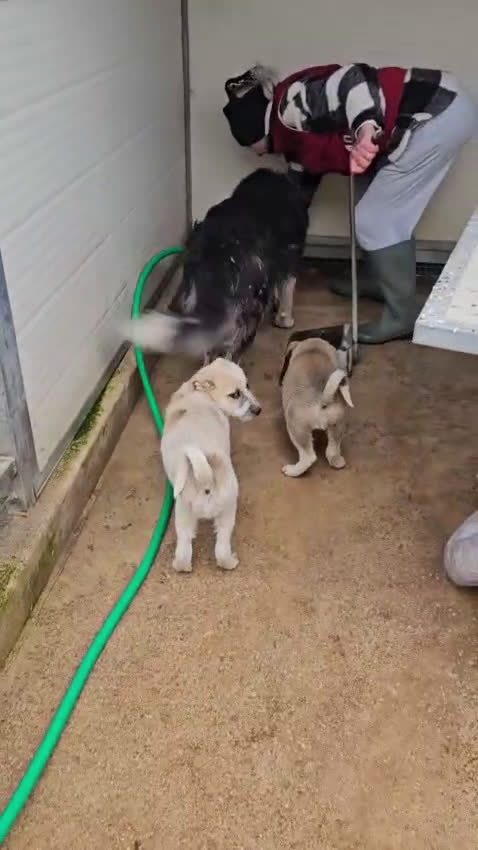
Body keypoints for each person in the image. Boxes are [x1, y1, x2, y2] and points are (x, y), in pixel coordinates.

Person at [222, 63, 478, 344]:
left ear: (257, 132)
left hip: (436, 111)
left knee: (375, 220)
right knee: (370, 201)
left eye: (252, 147)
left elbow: (353, 79)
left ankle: (402, 315)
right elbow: (297, 199)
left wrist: (365, 128)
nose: (257, 155)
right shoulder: (292, 140)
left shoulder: (292, 103)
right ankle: (379, 280)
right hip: (436, 113)